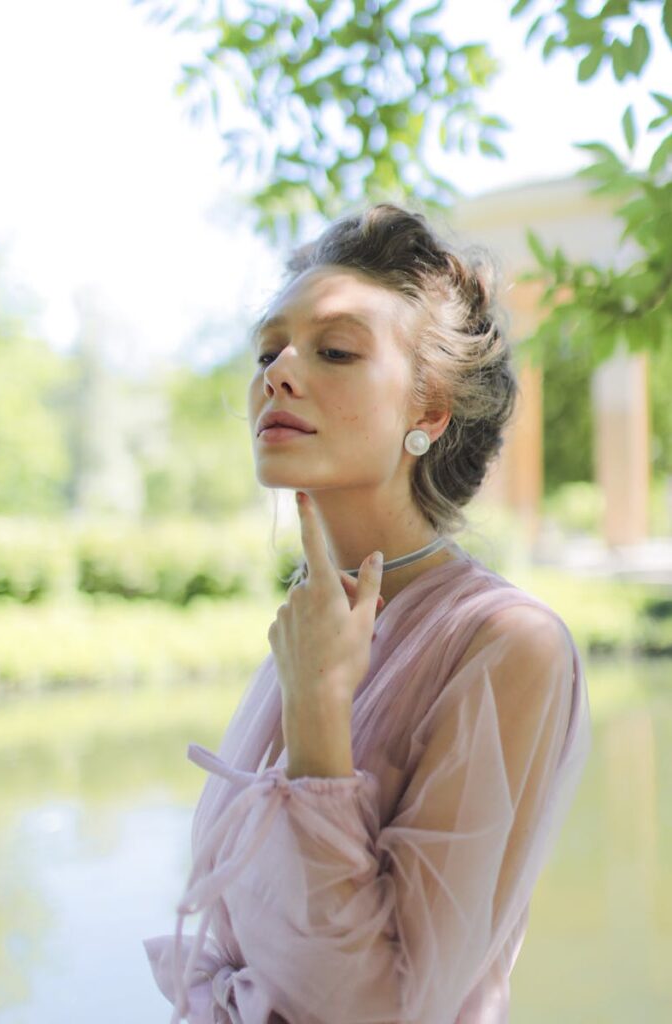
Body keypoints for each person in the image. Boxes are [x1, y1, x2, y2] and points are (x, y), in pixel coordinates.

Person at [143, 202, 592, 1023]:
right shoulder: (317, 617)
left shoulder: (507, 645)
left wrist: (318, 715)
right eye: (267, 349)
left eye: (336, 350)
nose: (277, 371)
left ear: (428, 412)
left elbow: (386, 1008)